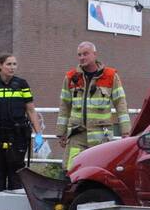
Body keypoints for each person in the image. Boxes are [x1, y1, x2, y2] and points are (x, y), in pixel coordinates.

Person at [0, 54, 44, 192]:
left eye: (14, 64)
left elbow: (31, 111)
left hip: (17, 136)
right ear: (0, 65)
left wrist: (38, 133)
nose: (12, 68)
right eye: (9, 64)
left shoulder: (22, 84)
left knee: (16, 174)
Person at [56, 41, 131, 169]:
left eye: (85, 54)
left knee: (98, 169)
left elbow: (121, 105)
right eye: (79, 55)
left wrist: (126, 131)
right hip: (76, 134)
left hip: (100, 135)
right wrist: (61, 132)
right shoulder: (71, 77)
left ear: (95, 54)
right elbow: (64, 106)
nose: (82, 58)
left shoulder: (110, 76)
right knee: (72, 169)